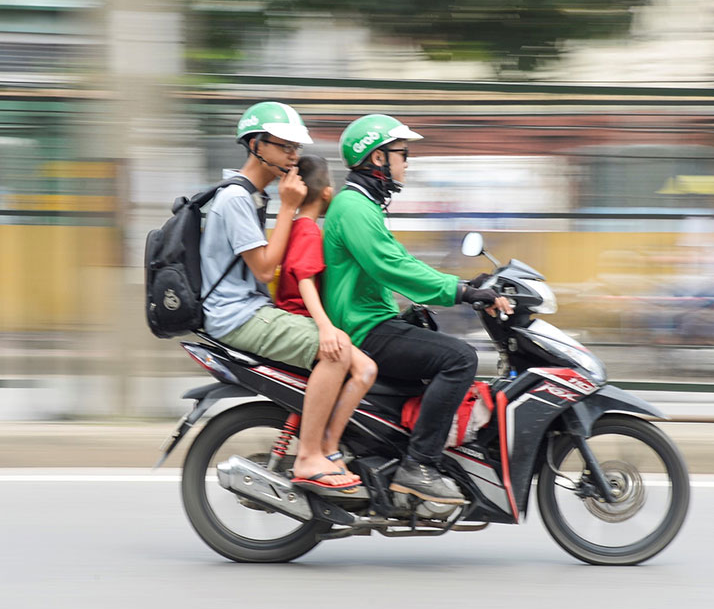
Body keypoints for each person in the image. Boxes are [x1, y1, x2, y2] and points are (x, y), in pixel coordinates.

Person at [323, 114, 513, 504]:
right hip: (362, 330)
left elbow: (400, 262)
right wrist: (459, 291)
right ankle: (418, 466)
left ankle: (402, 456)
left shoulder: (363, 205)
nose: (406, 162)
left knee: (434, 343)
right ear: (378, 159)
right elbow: (390, 267)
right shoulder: (355, 207)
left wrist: (464, 285)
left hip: (370, 319)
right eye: (401, 153)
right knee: (460, 358)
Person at [199, 101, 360, 490]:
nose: (293, 156)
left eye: (296, 148)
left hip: (249, 309)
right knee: (335, 351)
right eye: (284, 146)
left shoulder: (252, 196)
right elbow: (264, 269)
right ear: (256, 144)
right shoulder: (237, 199)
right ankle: (310, 456)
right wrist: (289, 207)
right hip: (238, 315)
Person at [274, 154, 377, 482]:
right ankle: (327, 446)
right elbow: (304, 279)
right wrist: (325, 326)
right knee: (365, 369)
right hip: (301, 318)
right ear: (328, 193)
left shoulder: (297, 227)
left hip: (298, 316)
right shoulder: (307, 231)